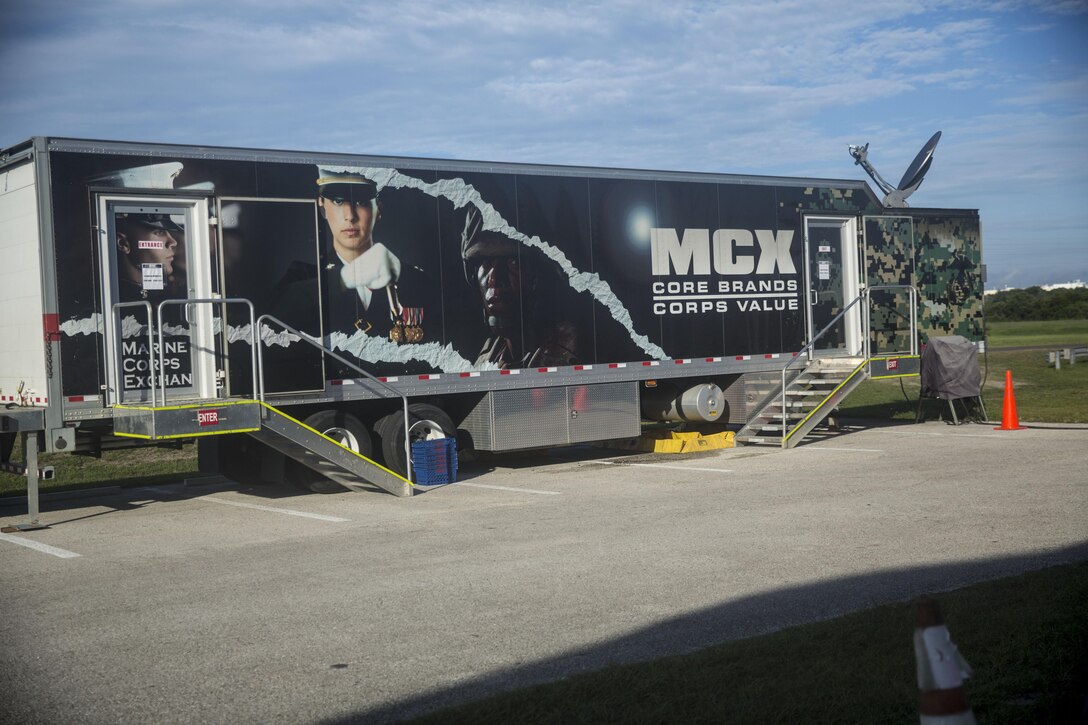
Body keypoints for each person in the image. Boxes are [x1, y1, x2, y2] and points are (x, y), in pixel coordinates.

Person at [316, 167, 431, 343]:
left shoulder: (415, 280)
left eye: (361, 202)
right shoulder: (307, 282)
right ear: (323, 208)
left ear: (378, 210)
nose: (350, 216)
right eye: (338, 202)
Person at [460, 207, 579, 368]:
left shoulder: (572, 356)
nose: (495, 279)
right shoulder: (488, 358)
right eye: (486, 263)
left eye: (513, 263)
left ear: (538, 275)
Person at [114, 213, 185, 303]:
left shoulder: (167, 297)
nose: (173, 242)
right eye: (159, 232)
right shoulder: (108, 302)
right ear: (123, 243)